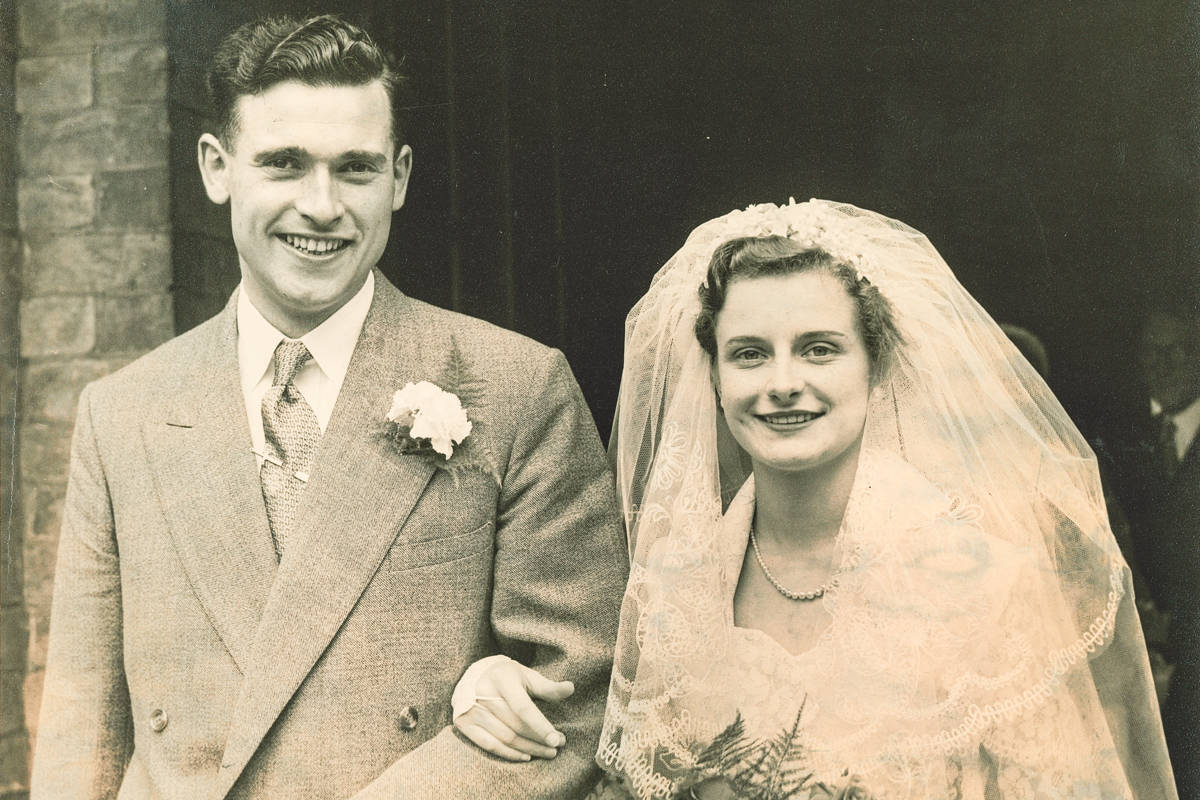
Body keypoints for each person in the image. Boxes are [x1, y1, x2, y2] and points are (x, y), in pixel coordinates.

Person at [30, 14, 627, 800]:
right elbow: (82, 734)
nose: (321, 206)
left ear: (400, 179)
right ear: (216, 168)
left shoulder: (514, 387)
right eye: (283, 163)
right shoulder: (124, 414)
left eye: (355, 169)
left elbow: (579, 695)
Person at [453, 200, 1177, 799]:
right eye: (749, 353)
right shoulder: (671, 589)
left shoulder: (991, 587)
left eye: (820, 348)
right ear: (713, 376)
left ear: (878, 365)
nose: (782, 382)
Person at [1103, 304, 1200, 797]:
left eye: (1180, 349)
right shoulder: (1116, 437)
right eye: (1154, 351)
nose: (1166, 362)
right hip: (1132, 642)